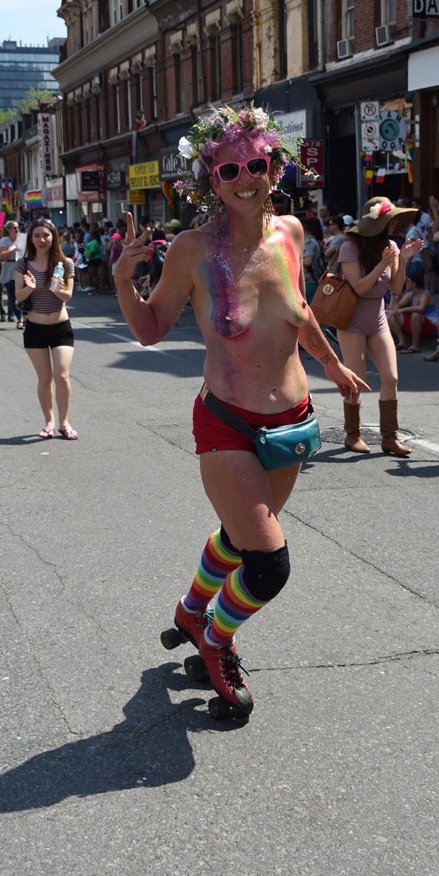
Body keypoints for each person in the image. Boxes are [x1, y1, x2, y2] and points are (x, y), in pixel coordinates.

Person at [113, 103, 367, 720]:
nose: (246, 177)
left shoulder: (292, 234)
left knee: (240, 535)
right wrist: (125, 279)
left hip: (293, 421)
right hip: (226, 422)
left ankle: (190, 609)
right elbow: (149, 329)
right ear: (212, 178)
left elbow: (300, 311)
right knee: (268, 562)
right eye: (230, 169)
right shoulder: (192, 251)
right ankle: (216, 638)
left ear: (273, 167)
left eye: (257, 163)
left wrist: (332, 366)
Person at [336, 197, 422, 456]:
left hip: (378, 319)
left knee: (391, 377)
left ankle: (389, 438)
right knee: (356, 382)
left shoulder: (392, 246)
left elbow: (395, 288)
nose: (395, 223)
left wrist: (403, 259)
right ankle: (353, 435)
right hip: (351, 321)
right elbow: (359, 287)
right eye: (390, 219)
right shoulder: (350, 248)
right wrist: (383, 264)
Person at [14, 219, 78, 439]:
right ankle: (49, 422)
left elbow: (68, 296)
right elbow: (18, 296)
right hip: (35, 328)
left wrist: (57, 290)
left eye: (46, 235)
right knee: (45, 378)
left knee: (62, 375)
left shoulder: (65, 262)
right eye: (37, 236)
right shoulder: (23, 264)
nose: (42, 240)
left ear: (54, 237)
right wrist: (29, 288)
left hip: (61, 326)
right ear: (31, 239)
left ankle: (64, 422)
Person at [388, 273, 438, 352]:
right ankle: (402, 341)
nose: (406, 283)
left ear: (414, 283)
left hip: (431, 327)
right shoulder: (411, 294)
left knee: (416, 315)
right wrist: (396, 307)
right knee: (392, 315)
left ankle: (415, 345)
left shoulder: (425, 294)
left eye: (408, 281)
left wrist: (403, 310)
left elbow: (421, 308)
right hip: (417, 325)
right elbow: (399, 305)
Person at [0, 221, 23, 326]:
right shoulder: (5, 240)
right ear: (9, 230)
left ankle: (25, 317)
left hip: (21, 268)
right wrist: (12, 251)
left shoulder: (22, 239)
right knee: (13, 295)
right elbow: (1, 255)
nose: (17, 229)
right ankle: (19, 318)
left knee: (24, 295)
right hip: (9, 269)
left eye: (18, 227)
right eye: (14, 227)